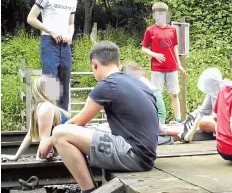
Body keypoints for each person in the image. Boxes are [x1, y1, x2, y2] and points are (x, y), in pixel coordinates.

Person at [38, 41, 159, 193]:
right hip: (145, 154)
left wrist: (48, 141)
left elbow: (77, 122)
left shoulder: (107, 85)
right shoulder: (138, 83)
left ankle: (88, 190)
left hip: (135, 156)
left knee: (60, 133)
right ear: (117, 62)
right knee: (93, 128)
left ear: (95, 64)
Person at [27, 0, 78, 111]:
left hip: (65, 45)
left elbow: (71, 24)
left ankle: (62, 124)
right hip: (49, 43)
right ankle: (48, 123)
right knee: (51, 85)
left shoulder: (72, 0)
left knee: (64, 85)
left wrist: (70, 35)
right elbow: (31, 18)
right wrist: (52, 32)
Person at [121, 61, 200, 144]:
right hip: (154, 101)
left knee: (153, 132)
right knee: (151, 133)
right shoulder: (135, 81)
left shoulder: (131, 83)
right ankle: (181, 132)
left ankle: (182, 130)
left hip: (151, 103)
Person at [1, 76, 70, 161]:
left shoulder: (38, 107)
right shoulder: (47, 107)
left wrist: (16, 157)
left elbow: (30, 135)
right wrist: (40, 156)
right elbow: (42, 138)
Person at [141, 2, 186, 123]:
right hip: (157, 68)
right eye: (157, 13)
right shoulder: (150, 30)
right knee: (157, 96)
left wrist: (179, 64)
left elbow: (175, 47)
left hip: (172, 68)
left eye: (163, 13)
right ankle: (159, 122)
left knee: (174, 94)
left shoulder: (172, 29)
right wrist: (155, 54)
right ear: (154, 15)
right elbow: (143, 48)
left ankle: (178, 120)